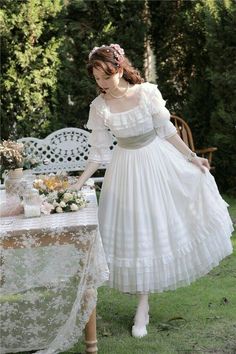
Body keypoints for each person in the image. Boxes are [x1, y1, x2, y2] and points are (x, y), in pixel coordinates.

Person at [71, 44, 233, 338]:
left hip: (156, 163)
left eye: (105, 78)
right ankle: (142, 303)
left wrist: (191, 156)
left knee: (156, 228)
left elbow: (167, 130)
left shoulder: (146, 93)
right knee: (137, 233)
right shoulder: (99, 107)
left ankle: (142, 308)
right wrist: (77, 183)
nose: (101, 85)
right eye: (96, 79)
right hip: (125, 169)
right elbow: (98, 153)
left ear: (119, 69)